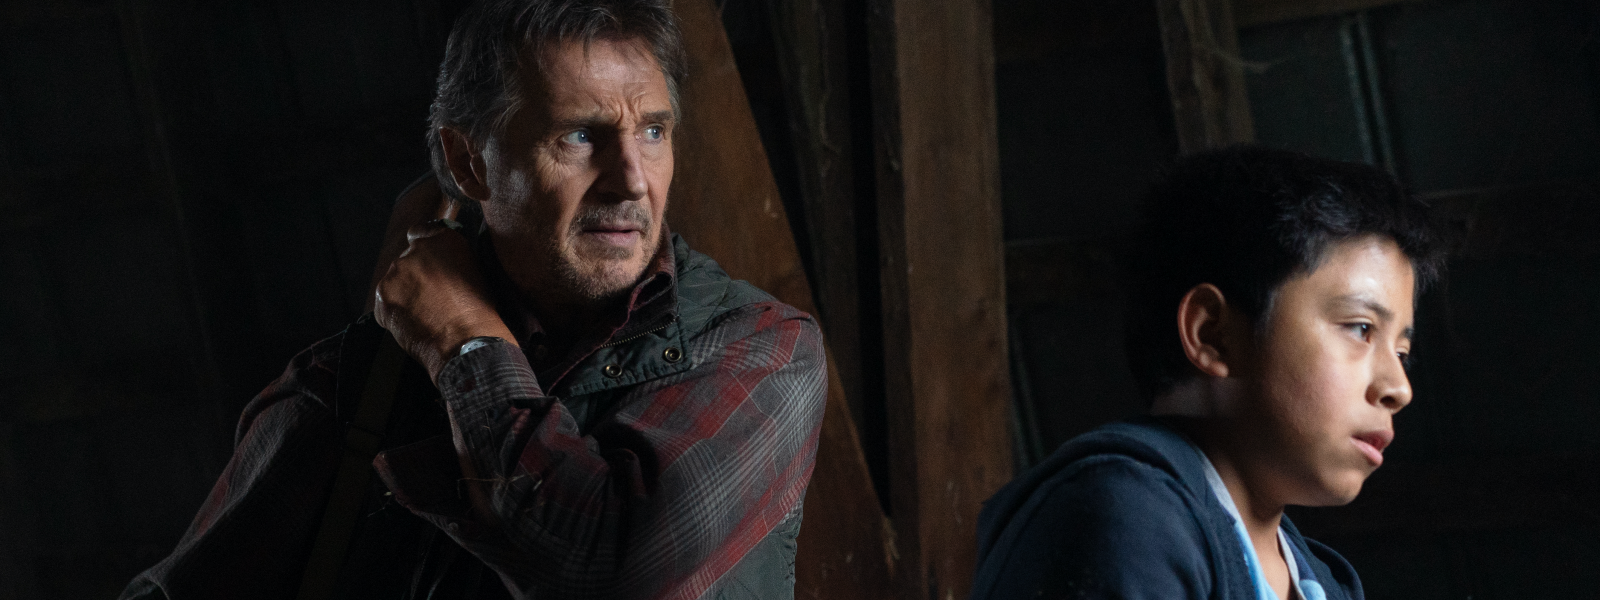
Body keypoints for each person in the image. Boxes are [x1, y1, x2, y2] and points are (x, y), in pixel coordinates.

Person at [118, 1, 826, 598]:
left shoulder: (759, 348)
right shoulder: (352, 387)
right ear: (467, 162)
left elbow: (612, 570)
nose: (632, 179)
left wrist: (466, 343)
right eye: (580, 135)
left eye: (653, 131)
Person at [970, 147, 1447, 600]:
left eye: (1401, 352)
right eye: (1361, 328)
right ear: (1213, 335)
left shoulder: (1320, 582)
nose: (1398, 388)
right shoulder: (1127, 516)